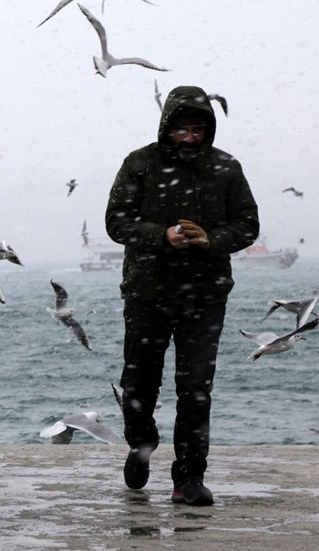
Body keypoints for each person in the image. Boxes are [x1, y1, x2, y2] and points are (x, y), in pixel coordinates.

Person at [105, 85, 259, 506]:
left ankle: (189, 479)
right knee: (138, 386)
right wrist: (161, 235)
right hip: (146, 293)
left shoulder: (227, 168)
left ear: (208, 129)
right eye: (182, 130)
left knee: (195, 390)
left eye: (198, 129)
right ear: (166, 128)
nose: (190, 138)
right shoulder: (139, 164)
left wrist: (211, 239)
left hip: (204, 298)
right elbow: (116, 222)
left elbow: (248, 225)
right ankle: (141, 444)